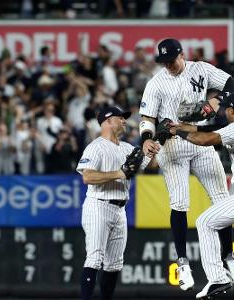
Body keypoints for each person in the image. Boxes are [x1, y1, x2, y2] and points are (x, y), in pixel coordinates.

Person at [139, 38, 234, 290]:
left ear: (181, 54)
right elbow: (147, 118)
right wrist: (146, 139)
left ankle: (229, 258)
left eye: (172, 60)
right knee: (179, 203)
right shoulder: (156, 83)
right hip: (172, 144)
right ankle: (182, 263)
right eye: (164, 62)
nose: (169, 65)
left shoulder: (200, 69)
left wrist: (216, 102)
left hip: (199, 138)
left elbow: (233, 84)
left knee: (221, 198)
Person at [165, 93, 234, 299]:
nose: (223, 111)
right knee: (206, 222)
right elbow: (205, 129)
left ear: (232, 110)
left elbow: (206, 139)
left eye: (226, 108)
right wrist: (178, 127)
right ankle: (218, 278)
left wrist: (178, 133)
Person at [76, 106, 153, 300]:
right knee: (95, 258)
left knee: (115, 264)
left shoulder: (127, 148)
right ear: (108, 121)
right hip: (98, 205)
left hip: (120, 209)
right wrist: (120, 172)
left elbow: (151, 164)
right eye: (121, 118)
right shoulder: (96, 147)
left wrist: (157, 143)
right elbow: (87, 177)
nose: (124, 121)